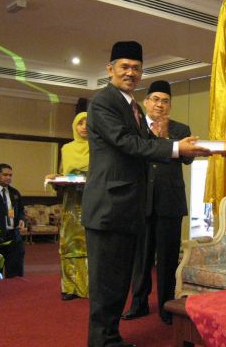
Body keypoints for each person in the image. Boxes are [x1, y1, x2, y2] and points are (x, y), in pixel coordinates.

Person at [81, 41, 209, 347]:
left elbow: (148, 143)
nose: (130, 72)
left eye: (136, 68)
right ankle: (102, 341)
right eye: (124, 67)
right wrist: (176, 148)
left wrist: (182, 146)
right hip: (109, 207)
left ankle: (110, 338)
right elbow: (127, 143)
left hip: (127, 207)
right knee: (106, 283)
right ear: (110, 69)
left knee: (118, 280)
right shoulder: (103, 102)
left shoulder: (132, 106)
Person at [121, 80, 193, 325]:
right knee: (140, 258)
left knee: (167, 259)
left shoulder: (180, 129)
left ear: (170, 105)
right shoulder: (135, 128)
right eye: (155, 100)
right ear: (146, 102)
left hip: (170, 202)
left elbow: (188, 159)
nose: (160, 105)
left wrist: (166, 137)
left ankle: (166, 307)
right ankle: (138, 304)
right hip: (140, 201)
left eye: (165, 101)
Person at [57, 111, 90, 300]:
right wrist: (54, 178)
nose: (84, 127)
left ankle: (89, 287)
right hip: (71, 204)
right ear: (74, 126)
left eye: (88, 123)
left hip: (93, 202)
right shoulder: (67, 149)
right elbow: (63, 174)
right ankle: (69, 288)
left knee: (91, 245)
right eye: (80, 123)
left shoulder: (98, 147)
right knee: (70, 244)